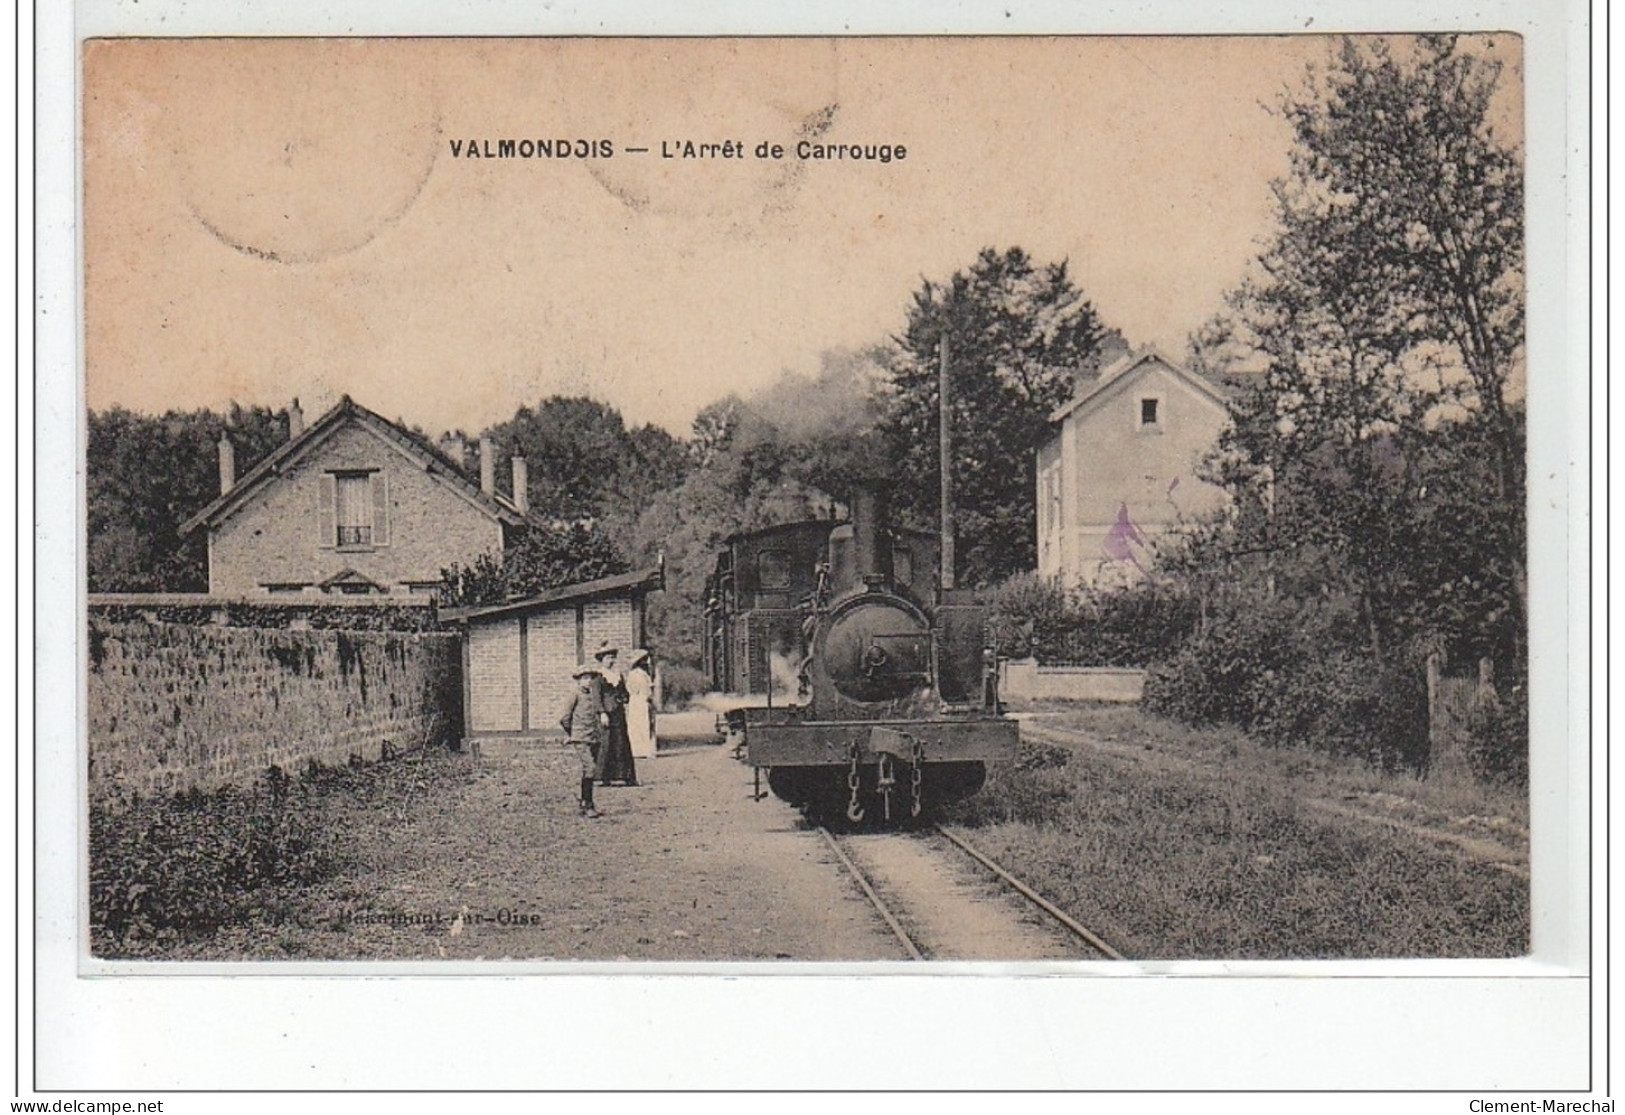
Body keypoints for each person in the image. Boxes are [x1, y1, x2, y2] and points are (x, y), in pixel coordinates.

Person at [558, 665, 604, 818]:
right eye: (585, 678)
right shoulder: (574, 695)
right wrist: (573, 733)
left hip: (593, 736)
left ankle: (585, 802)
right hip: (580, 737)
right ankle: (588, 805)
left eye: (590, 678)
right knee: (590, 767)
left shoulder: (593, 695)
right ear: (578, 680)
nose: (588, 681)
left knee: (590, 770)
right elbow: (564, 718)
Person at [592, 642, 638, 787]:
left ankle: (624, 776)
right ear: (601, 660)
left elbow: (625, 693)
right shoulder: (598, 678)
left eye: (612, 658)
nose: (610, 661)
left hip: (618, 713)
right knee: (607, 743)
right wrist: (602, 713)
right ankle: (603, 777)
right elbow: (596, 697)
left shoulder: (618, 676)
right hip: (606, 714)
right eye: (607, 658)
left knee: (621, 743)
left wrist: (623, 697)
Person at [625, 649, 657, 761]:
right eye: (644, 660)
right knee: (640, 724)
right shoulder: (636, 674)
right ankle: (640, 750)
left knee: (645, 724)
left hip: (641, 701)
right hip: (639, 701)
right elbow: (639, 689)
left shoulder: (644, 674)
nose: (647, 662)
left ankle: (644, 749)